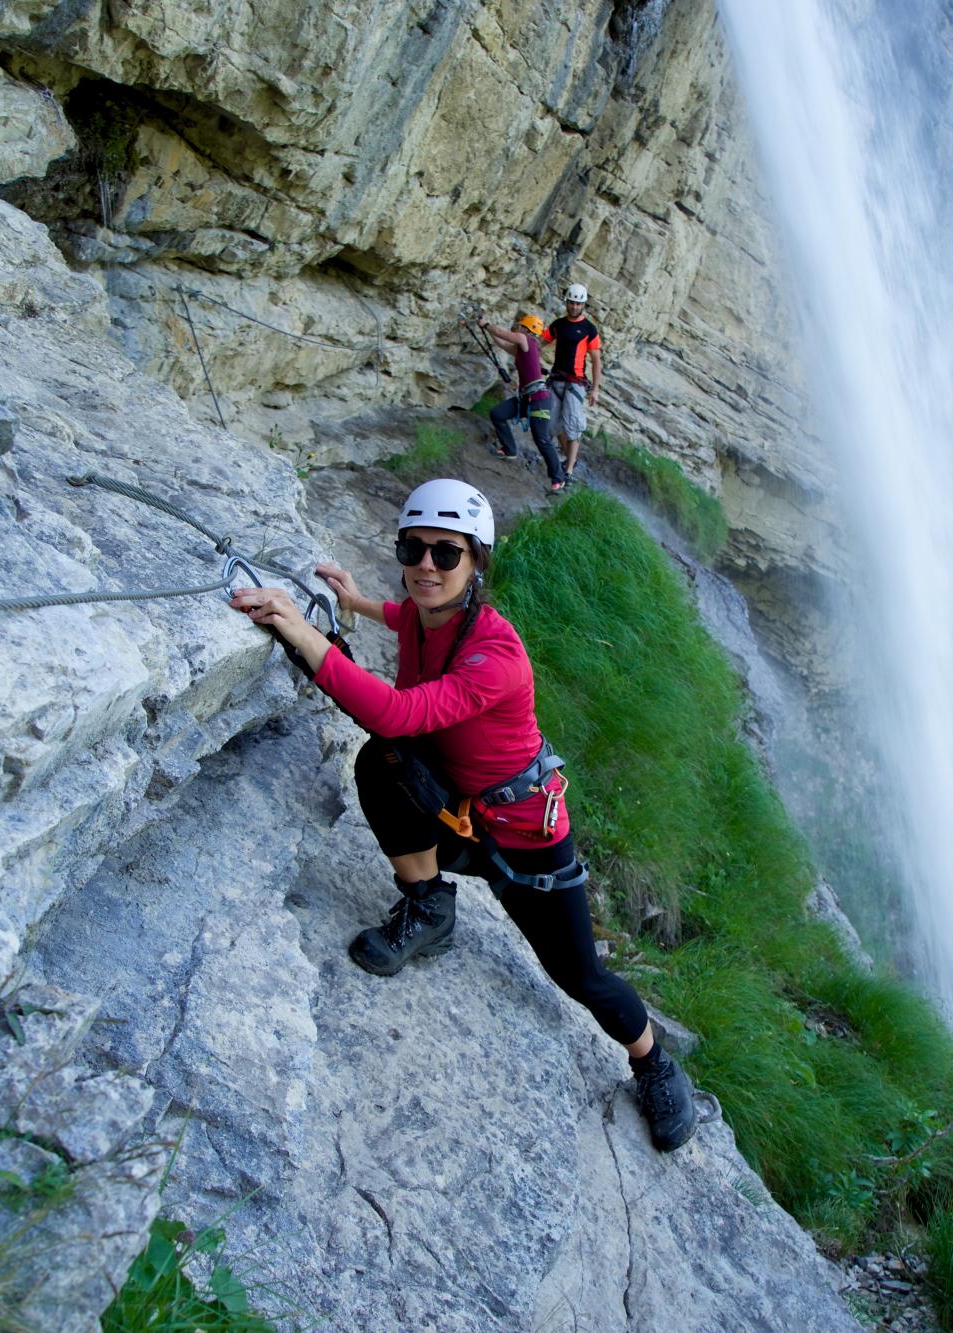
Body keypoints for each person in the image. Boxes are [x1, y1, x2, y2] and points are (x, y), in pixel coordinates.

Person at [228, 479, 698, 1152]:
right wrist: (354, 601)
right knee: (381, 763)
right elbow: (403, 617)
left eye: (445, 555)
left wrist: (302, 631)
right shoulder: (429, 614)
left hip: (529, 842)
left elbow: (396, 710)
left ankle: (652, 1060)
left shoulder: (496, 653)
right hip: (463, 813)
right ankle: (429, 906)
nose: (425, 566)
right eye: (413, 548)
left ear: (477, 563)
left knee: (580, 975)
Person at [478, 313, 568, 493]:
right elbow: (502, 342)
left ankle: (558, 478)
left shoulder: (525, 339)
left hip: (538, 400)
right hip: (528, 398)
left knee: (541, 439)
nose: (517, 328)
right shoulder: (523, 347)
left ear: (525, 328)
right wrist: (486, 330)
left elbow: (502, 333)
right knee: (498, 414)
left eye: (520, 326)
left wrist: (486, 324)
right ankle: (510, 450)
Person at [543, 283, 603, 483]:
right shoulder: (558, 325)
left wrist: (595, 389)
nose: (575, 307)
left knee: (573, 425)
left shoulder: (589, 330)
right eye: (572, 303)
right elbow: (540, 342)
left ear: (583, 305)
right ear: (567, 302)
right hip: (556, 379)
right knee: (553, 425)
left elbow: (596, 360)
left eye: (578, 304)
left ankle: (568, 470)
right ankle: (570, 459)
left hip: (575, 383)